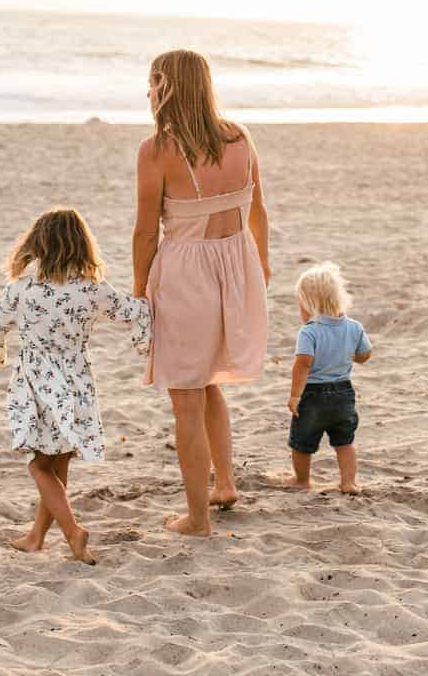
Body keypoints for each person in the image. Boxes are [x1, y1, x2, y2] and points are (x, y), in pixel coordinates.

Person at [133, 49, 269, 536]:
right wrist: (261, 267)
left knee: (186, 395)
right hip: (237, 264)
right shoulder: (239, 137)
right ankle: (224, 482)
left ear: (167, 86)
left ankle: (197, 519)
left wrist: (138, 291)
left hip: (189, 272)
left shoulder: (157, 150)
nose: (146, 91)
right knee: (208, 379)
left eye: (150, 82)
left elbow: (147, 232)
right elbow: (259, 212)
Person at [0, 208, 151, 564]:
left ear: (37, 243)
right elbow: (135, 314)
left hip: (38, 382)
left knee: (39, 465)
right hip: (76, 380)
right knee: (58, 460)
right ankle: (36, 536)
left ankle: (72, 531)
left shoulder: (22, 288)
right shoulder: (92, 289)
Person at [286, 261, 371, 494]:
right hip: (344, 393)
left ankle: (302, 480)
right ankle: (348, 482)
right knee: (345, 441)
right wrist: (349, 356)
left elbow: (302, 364)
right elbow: (365, 354)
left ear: (309, 303)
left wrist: (295, 395)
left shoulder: (310, 331)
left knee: (302, 443)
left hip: (313, 395)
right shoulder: (354, 327)